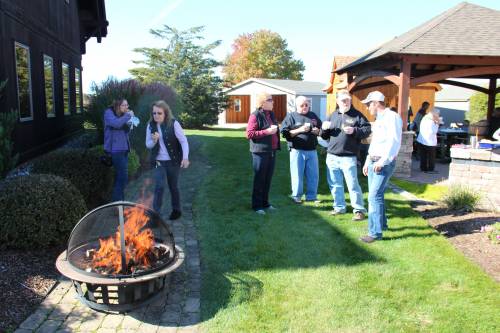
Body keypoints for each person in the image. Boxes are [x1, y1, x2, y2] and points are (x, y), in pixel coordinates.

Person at [320, 90, 371, 221]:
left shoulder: (357, 115)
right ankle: (339, 207)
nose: (346, 102)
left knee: (353, 184)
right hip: (332, 156)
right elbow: (324, 136)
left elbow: (367, 130)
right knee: (335, 184)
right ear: (338, 101)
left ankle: (359, 210)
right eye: (343, 100)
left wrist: (355, 130)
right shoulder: (333, 115)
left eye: (348, 100)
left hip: (349, 157)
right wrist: (324, 129)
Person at [360, 91, 402, 243]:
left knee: (373, 196)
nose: (367, 107)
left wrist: (382, 161)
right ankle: (382, 225)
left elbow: (393, 142)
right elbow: (376, 143)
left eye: (368, 104)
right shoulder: (379, 119)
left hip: (382, 164)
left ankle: (375, 233)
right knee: (377, 195)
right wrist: (367, 160)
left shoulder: (392, 117)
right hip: (373, 161)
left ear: (376, 103)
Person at [146, 100, 190, 220]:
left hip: (173, 161)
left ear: (165, 113)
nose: (156, 116)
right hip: (158, 161)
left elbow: (183, 141)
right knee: (159, 186)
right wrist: (154, 140)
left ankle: (176, 210)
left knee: (173, 186)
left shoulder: (173, 124)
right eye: (154, 113)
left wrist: (185, 157)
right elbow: (148, 145)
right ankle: (155, 215)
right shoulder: (150, 125)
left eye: (159, 113)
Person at [281, 96, 322, 204]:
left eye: (306, 105)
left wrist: (317, 131)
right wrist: (300, 130)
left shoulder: (313, 115)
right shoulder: (291, 116)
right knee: (297, 175)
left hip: (312, 150)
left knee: (313, 175)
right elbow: (285, 133)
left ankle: (311, 196)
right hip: (297, 150)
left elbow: (321, 130)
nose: (305, 107)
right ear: (297, 106)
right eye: (302, 105)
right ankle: (296, 196)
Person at [246, 92, 280, 215]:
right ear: (263, 102)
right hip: (260, 152)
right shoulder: (255, 115)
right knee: (259, 179)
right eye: (270, 100)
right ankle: (257, 206)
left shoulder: (271, 114)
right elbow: (249, 134)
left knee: (267, 179)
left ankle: (265, 203)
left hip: (271, 151)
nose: (273, 102)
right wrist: (266, 132)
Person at [104, 98, 134, 202]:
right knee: (122, 177)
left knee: (122, 177)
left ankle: (121, 203)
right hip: (116, 150)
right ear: (118, 106)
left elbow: (125, 132)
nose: (127, 107)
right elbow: (116, 124)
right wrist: (128, 116)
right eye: (124, 105)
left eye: (127, 105)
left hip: (124, 149)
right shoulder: (109, 113)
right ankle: (117, 205)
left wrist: (130, 124)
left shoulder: (122, 116)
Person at [417, 108, 440, 173]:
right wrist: (437, 123)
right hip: (430, 142)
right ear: (435, 114)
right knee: (431, 157)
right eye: (438, 114)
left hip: (421, 140)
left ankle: (423, 168)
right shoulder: (431, 121)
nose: (438, 116)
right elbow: (434, 131)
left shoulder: (424, 118)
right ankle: (431, 169)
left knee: (423, 155)